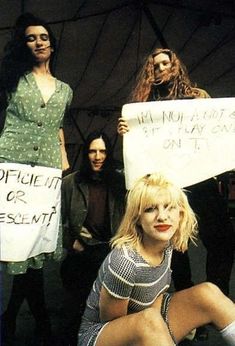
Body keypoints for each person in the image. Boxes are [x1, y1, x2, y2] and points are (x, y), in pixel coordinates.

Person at [118, 47, 235, 340]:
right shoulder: (144, 106)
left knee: (222, 240)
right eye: (155, 66)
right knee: (176, 249)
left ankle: (216, 298)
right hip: (170, 189)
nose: (160, 69)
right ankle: (190, 310)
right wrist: (126, 130)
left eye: (165, 63)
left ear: (175, 66)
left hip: (202, 184)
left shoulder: (198, 98)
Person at [78, 172, 235, 346]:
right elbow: (114, 325)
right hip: (102, 337)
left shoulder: (168, 244)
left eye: (169, 207)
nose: (162, 216)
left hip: (147, 318)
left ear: (180, 214)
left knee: (208, 292)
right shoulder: (125, 262)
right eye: (150, 209)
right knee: (149, 320)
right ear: (137, 218)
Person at [0, 13, 73, 345]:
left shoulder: (66, 90)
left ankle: (12, 315)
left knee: (35, 248)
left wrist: (64, 157)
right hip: (12, 167)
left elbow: (57, 124)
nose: (39, 41)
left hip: (45, 171)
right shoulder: (12, 79)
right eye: (31, 37)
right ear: (23, 44)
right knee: (19, 246)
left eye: (44, 36)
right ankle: (36, 318)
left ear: (52, 44)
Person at [60, 131, 126, 345]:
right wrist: (71, 242)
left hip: (111, 250)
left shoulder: (120, 182)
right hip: (84, 251)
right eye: (92, 151)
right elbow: (57, 220)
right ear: (86, 153)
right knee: (77, 305)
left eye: (103, 151)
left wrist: (128, 137)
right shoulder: (71, 182)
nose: (98, 156)